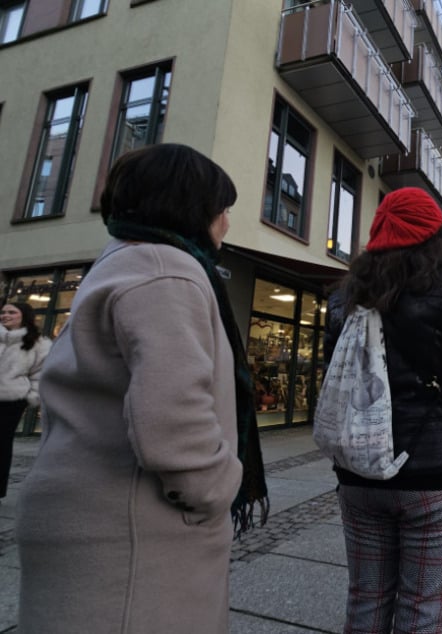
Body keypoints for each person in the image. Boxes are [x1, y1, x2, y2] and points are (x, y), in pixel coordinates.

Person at [15, 143, 268, 634]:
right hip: (133, 539)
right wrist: (217, 488)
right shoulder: (165, 271)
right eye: (223, 208)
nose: (226, 222)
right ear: (191, 206)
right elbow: (171, 416)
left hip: (95, 522)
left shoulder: (122, 262)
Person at [324, 187, 442, 634]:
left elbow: (336, 384)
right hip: (433, 481)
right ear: (437, 235)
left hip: (359, 477)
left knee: (366, 600)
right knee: (422, 608)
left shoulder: (347, 298)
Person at [0, 302, 51, 502]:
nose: (5, 315)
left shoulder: (37, 342)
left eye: (12, 312)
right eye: (3, 312)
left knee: (1, 444)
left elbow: (41, 373)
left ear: (24, 315)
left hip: (12, 400)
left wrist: (31, 396)